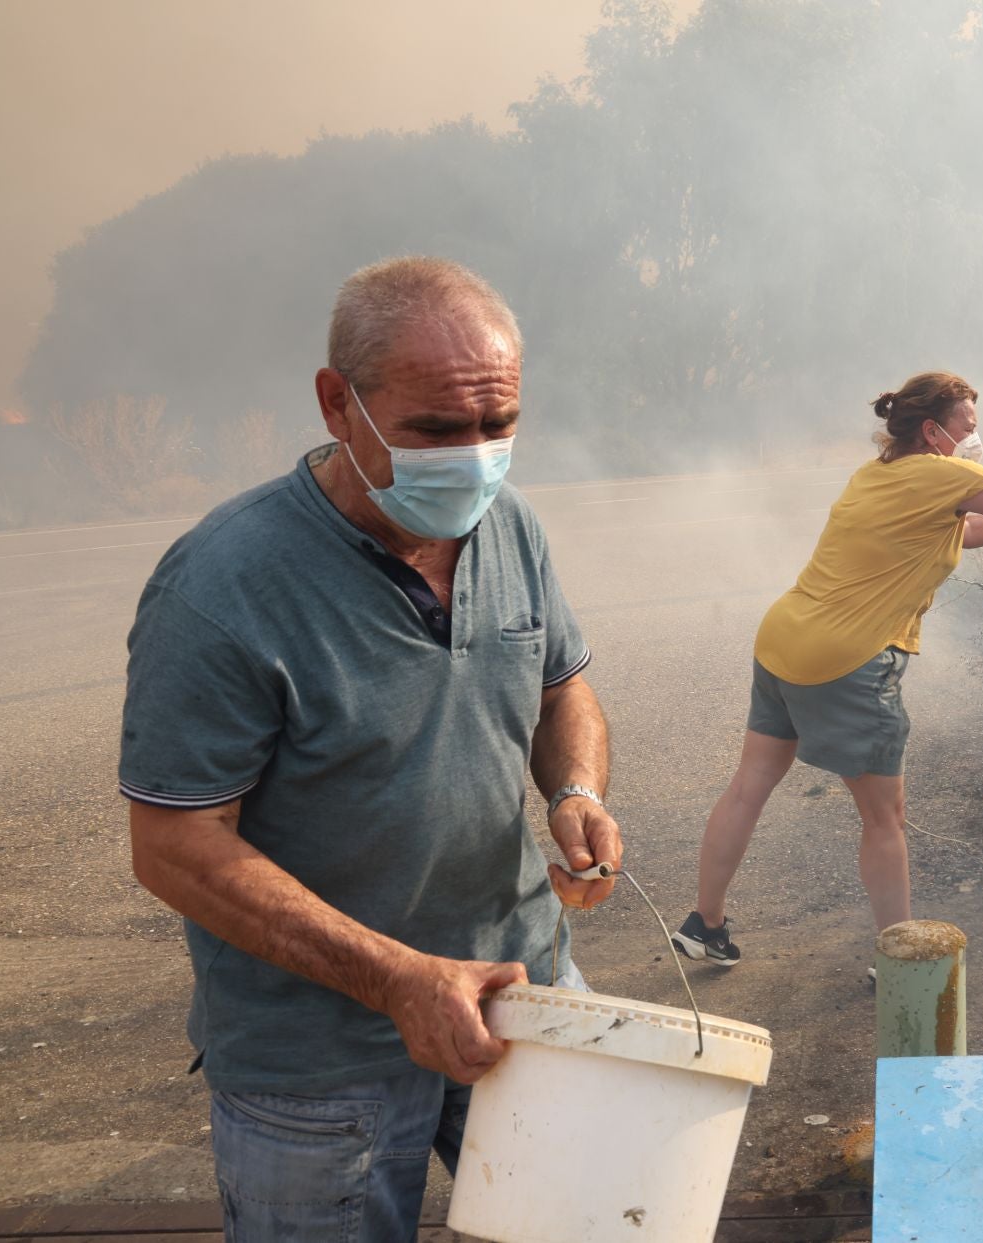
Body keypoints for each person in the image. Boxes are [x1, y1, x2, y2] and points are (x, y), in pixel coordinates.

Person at [121, 257, 623, 1241]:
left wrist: (572, 786)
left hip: (523, 990)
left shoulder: (507, 524)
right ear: (337, 404)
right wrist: (400, 978)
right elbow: (174, 844)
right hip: (318, 1062)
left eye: (499, 424)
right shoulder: (222, 590)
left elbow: (563, 683)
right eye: (437, 429)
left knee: (592, 1222)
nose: (476, 456)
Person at [672, 370, 983, 964]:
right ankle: (897, 961)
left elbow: (966, 533)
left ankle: (704, 925)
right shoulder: (940, 472)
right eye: (967, 427)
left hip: (783, 642)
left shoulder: (881, 475)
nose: (975, 438)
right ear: (933, 430)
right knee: (884, 817)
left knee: (748, 788)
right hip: (845, 659)